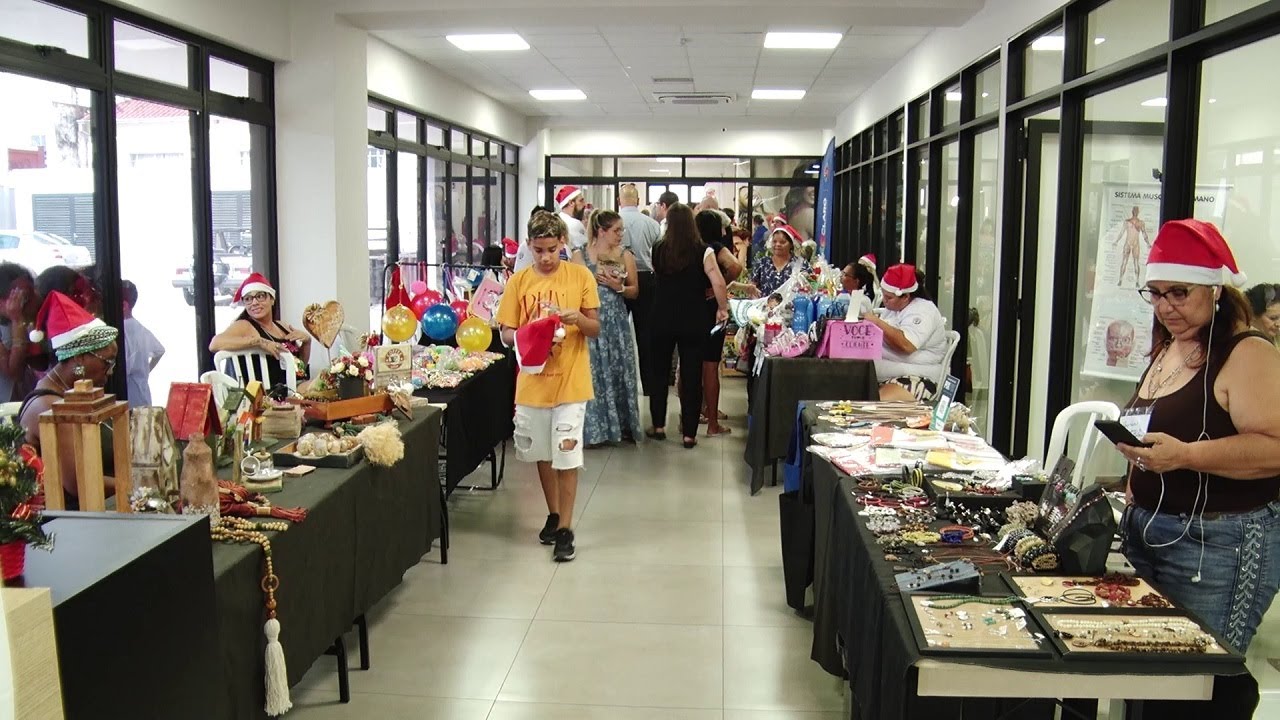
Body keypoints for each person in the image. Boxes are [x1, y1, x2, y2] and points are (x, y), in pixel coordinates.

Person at [1115, 219, 1280, 720]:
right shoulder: (1172, 345)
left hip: (1218, 543)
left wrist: (1186, 456)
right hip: (1151, 530)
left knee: (1202, 680)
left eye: (1179, 293)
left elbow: (1274, 447)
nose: (1166, 306)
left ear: (1215, 290)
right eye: (1156, 294)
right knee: (1154, 679)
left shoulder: (1247, 352)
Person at [496, 211, 600, 562]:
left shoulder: (581, 276)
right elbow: (506, 333)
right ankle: (554, 514)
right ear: (528, 245)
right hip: (533, 383)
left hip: (571, 381)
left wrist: (577, 318)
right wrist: (531, 333)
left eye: (552, 250)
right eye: (538, 250)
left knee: (567, 453)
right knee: (542, 452)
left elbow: (595, 328)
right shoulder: (519, 282)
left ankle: (566, 529)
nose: (545, 257)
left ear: (563, 244)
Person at [19, 291, 119, 507]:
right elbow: (78, 483)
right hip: (69, 517)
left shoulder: (76, 393)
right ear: (79, 357)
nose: (110, 371)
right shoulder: (49, 407)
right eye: (107, 362)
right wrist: (137, 484)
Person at [648, 204, 728, 449]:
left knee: (659, 372)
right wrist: (722, 308)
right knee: (692, 374)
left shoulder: (658, 248)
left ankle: (658, 425)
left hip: (661, 317)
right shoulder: (703, 251)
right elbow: (718, 282)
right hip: (694, 318)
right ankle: (689, 434)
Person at [573, 210, 642, 446]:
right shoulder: (579, 255)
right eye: (616, 230)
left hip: (616, 321)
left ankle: (622, 426)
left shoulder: (625, 254)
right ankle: (595, 429)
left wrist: (618, 286)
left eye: (621, 230)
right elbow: (573, 288)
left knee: (618, 369)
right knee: (592, 373)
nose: (620, 234)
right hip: (590, 319)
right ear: (601, 231)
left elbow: (634, 291)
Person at [208, 273, 311, 390]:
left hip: (292, 388)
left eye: (260, 296)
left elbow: (299, 369)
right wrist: (259, 342)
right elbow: (214, 344)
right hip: (267, 394)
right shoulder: (244, 325)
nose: (254, 303)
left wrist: (307, 342)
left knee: (326, 381)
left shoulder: (283, 326)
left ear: (272, 299)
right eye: (248, 299)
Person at [862, 263, 949, 402]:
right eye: (883, 295)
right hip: (887, 374)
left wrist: (877, 322)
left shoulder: (923, 310)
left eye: (889, 297)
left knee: (876, 403)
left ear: (905, 297)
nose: (884, 301)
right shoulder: (893, 309)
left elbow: (907, 345)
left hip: (919, 378)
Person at [695, 209, 743, 437]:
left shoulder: (690, 247)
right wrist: (719, 285)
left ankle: (692, 415)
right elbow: (736, 267)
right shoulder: (715, 248)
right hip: (712, 309)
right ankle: (712, 422)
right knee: (711, 364)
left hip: (692, 309)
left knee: (691, 364)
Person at [618, 183, 661, 397]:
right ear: (638, 200)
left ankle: (621, 386)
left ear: (619, 201)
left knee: (619, 333)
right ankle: (650, 385)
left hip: (618, 278)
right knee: (645, 334)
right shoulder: (652, 224)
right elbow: (659, 252)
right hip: (646, 278)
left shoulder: (613, 222)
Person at [121, 280, 164, 407]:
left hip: (129, 394)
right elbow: (159, 351)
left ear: (124, 305)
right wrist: (146, 371)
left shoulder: (123, 329)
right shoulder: (140, 328)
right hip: (142, 391)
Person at [0, 263, 39, 403]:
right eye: (24, 299)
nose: (35, 301)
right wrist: (17, 321)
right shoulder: (16, 320)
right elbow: (14, 372)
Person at [737, 225, 809, 298]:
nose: (777, 244)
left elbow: (809, 289)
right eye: (774, 241)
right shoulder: (762, 263)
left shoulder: (800, 264)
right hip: (764, 304)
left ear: (791, 245)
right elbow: (751, 287)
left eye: (782, 242)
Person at [1113, 205, 1151, 288]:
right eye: (1135, 210)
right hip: (1128, 243)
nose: (1135, 212)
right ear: (1133, 211)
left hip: (1135, 244)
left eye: (1136, 210)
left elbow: (1144, 234)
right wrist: (1116, 241)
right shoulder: (1127, 222)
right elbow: (1122, 232)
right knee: (1124, 262)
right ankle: (1120, 280)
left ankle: (1137, 281)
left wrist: (1148, 243)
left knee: (1136, 262)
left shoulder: (1140, 223)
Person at [554, 185, 590, 250]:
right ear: (571, 203)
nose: (584, 204)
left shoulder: (558, 219)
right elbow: (586, 249)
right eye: (581, 201)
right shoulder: (574, 224)